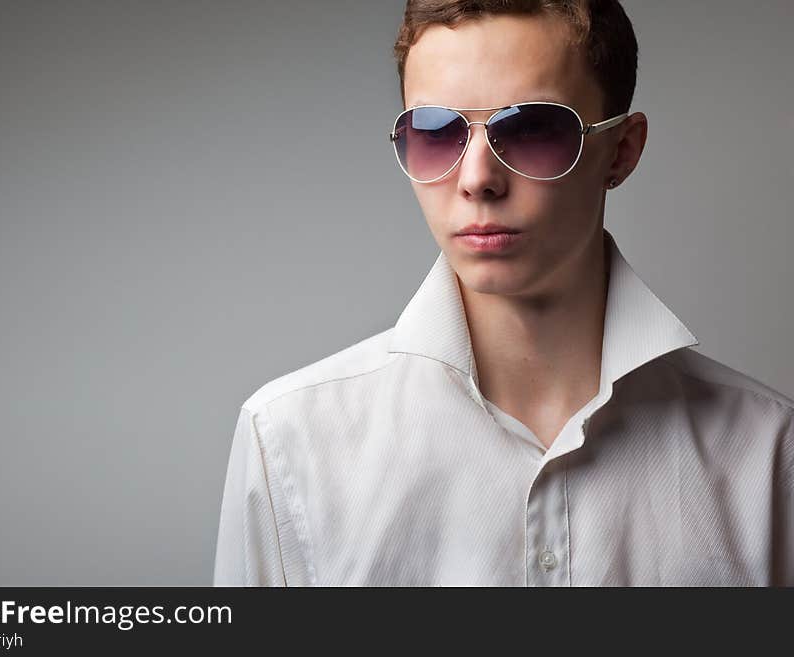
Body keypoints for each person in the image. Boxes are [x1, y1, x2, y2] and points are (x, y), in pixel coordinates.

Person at [213, 0, 793, 586]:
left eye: (532, 129)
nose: (476, 179)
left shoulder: (768, 452)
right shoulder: (290, 442)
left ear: (621, 150)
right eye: (435, 132)